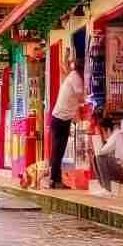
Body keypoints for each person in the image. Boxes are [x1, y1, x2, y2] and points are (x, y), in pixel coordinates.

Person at [49, 55, 85, 190]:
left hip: (62, 119)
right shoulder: (75, 77)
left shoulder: (73, 76)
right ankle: (54, 180)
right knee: (58, 151)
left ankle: (56, 180)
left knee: (59, 151)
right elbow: (81, 96)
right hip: (60, 120)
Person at [93, 111, 123, 194]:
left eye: (103, 132)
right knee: (97, 157)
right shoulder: (117, 134)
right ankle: (104, 187)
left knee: (100, 158)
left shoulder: (116, 134)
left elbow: (100, 152)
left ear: (108, 129)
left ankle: (107, 189)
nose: (103, 135)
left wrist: (96, 141)